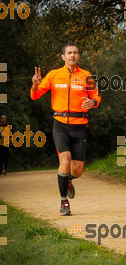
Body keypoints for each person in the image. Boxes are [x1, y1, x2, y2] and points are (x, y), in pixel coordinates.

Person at [30, 42, 101, 216]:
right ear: (63, 57)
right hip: (60, 124)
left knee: (77, 170)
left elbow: (97, 96)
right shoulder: (54, 75)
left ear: (78, 56)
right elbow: (35, 94)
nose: (72, 55)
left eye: (75, 53)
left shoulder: (86, 76)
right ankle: (64, 202)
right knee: (65, 159)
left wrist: (93, 102)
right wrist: (35, 84)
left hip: (80, 126)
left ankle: (67, 180)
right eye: (69, 53)